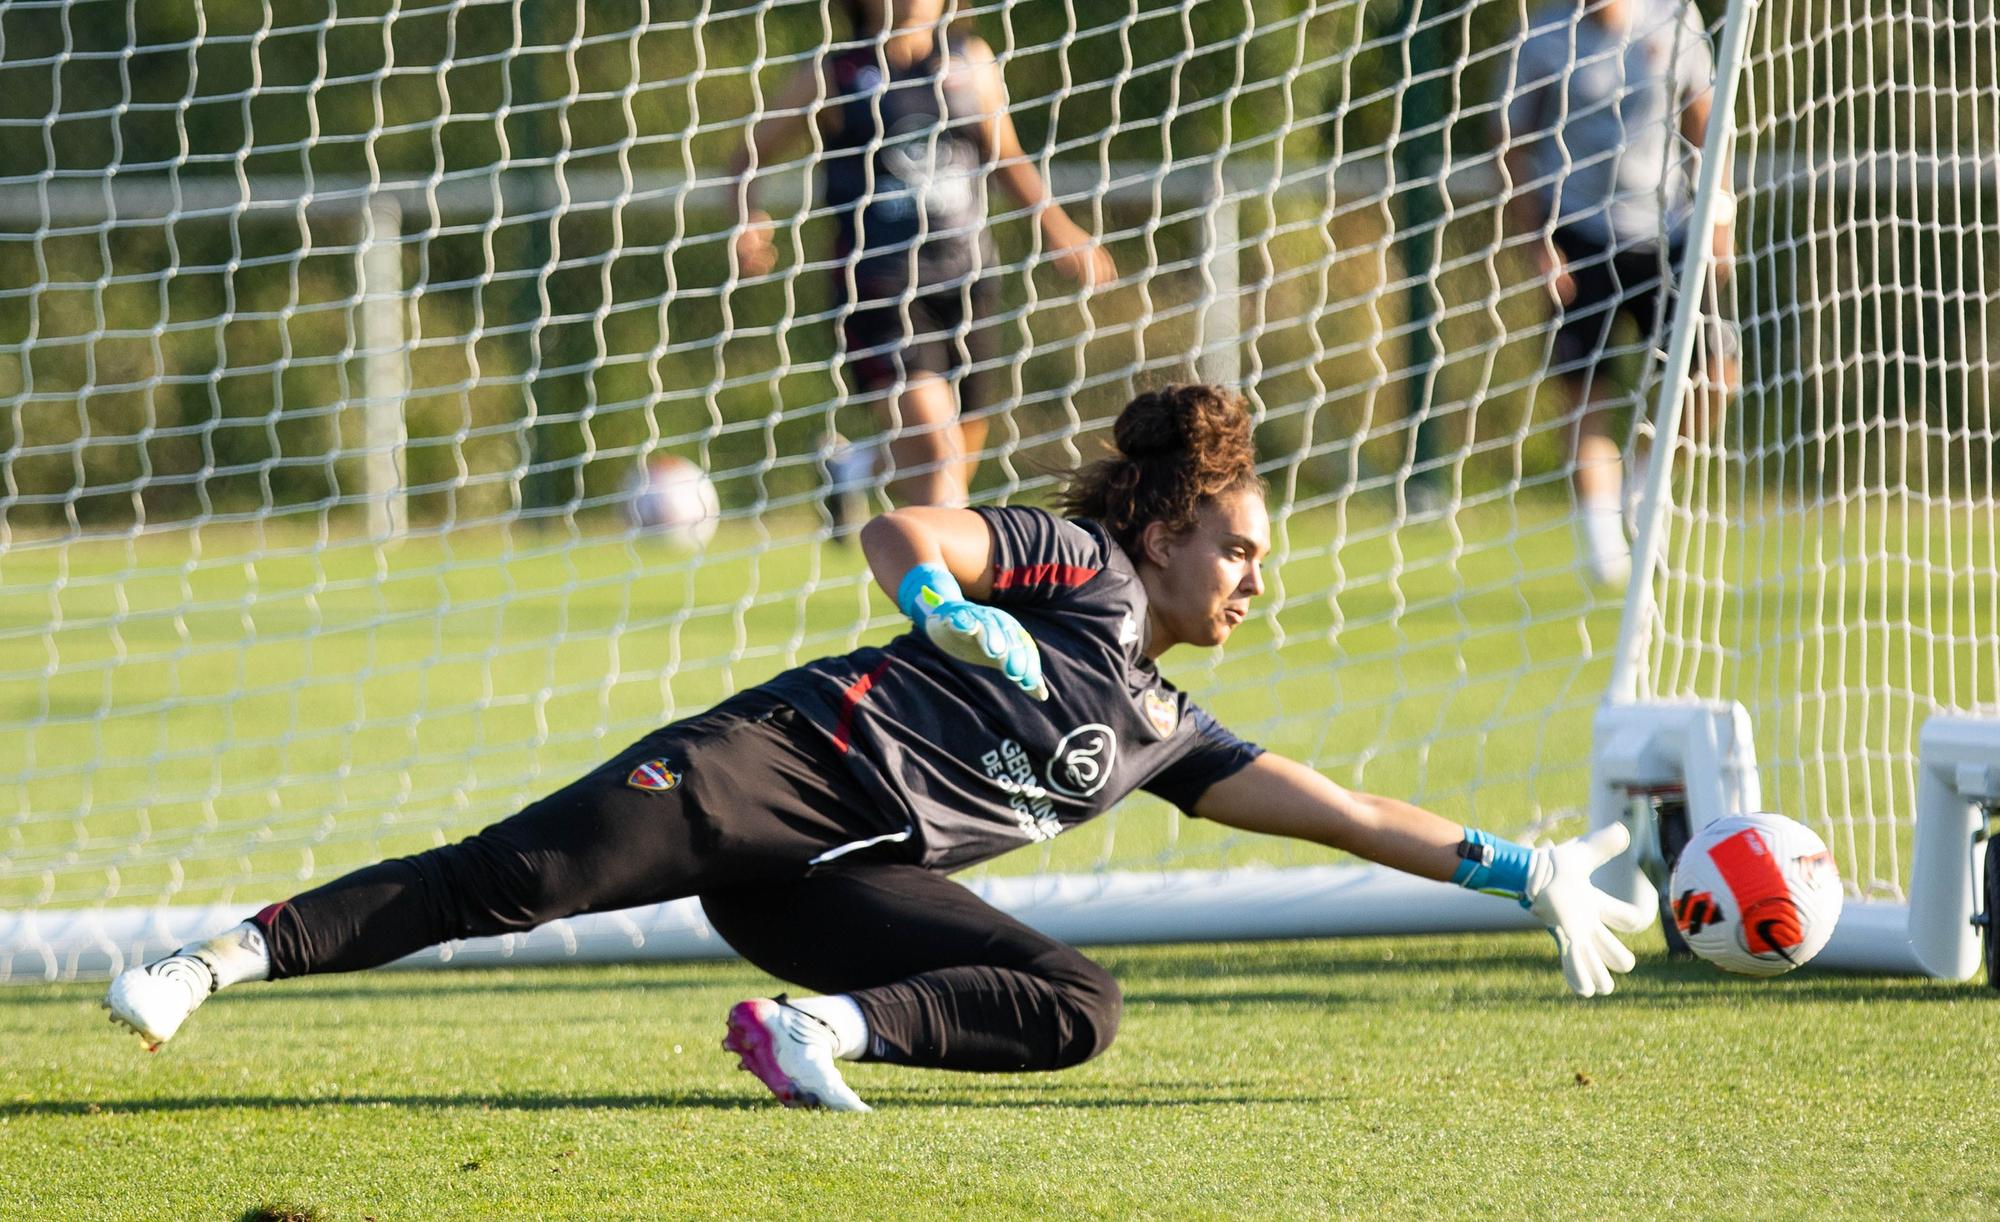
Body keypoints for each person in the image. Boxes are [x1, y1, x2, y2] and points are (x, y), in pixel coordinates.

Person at [104, 384, 1651, 1113]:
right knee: (514, 878)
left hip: (838, 887)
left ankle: (818, 1034)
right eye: (1241, 551)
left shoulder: (1165, 730)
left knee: (1079, 1003)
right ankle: (209, 960)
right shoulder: (1078, 561)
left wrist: (1520, 871)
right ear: (1171, 533)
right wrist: (940, 602)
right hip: (768, 769)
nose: (1259, 581)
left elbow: (1346, 807)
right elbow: (906, 520)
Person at [728, 0, 1116, 517]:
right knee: (938, 454)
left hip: (969, 276)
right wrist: (747, 215)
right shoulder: (835, 71)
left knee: (953, 465)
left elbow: (1007, 157)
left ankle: (858, 468)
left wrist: (1060, 230)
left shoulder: (969, 59)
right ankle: (944, 593)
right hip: (880, 284)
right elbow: (749, 152)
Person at [1494, 0, 1740, 586]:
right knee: (1584, 392)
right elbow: (1511, 143)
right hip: (1578, 235)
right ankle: (1601, 540)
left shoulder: (1674, 21)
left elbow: (1706, 121)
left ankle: (1641, 483)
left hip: (1668, 234)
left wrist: (1721, 220)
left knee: (1717, 372)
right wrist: (1537, 243)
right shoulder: (1542, 35)